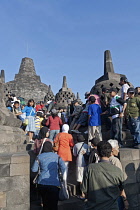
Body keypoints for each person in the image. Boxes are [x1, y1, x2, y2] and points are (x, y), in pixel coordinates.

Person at [81, 141, 127, 210]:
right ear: (111, 152)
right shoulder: (118, 171)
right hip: (112, 207)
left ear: (98, 153)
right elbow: (121, 190)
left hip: (94, 207)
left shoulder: (89, 168)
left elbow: (84, 190)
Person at [32, 141, 66, 210]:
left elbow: (34, 169)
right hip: (54, 183)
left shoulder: (39, 157)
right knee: (53, 204)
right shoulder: (57, 157)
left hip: (42, 183)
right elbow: (64, 168)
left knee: (45, 203)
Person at [108, 139, 129, 210]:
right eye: (117, 148)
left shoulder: (104, 160)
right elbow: (120, 180)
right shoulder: (115, 160)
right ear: (112, 149)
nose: (118, 150)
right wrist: (125, 199)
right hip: (116, 194)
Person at [73, 134, 88, 199]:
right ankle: (86, 193)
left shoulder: (76, 145)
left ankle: (82, 194)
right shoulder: (87, 145)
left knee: (80, 179)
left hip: (79, 163)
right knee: (85, 178)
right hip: (86, 163)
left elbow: (74, 154)